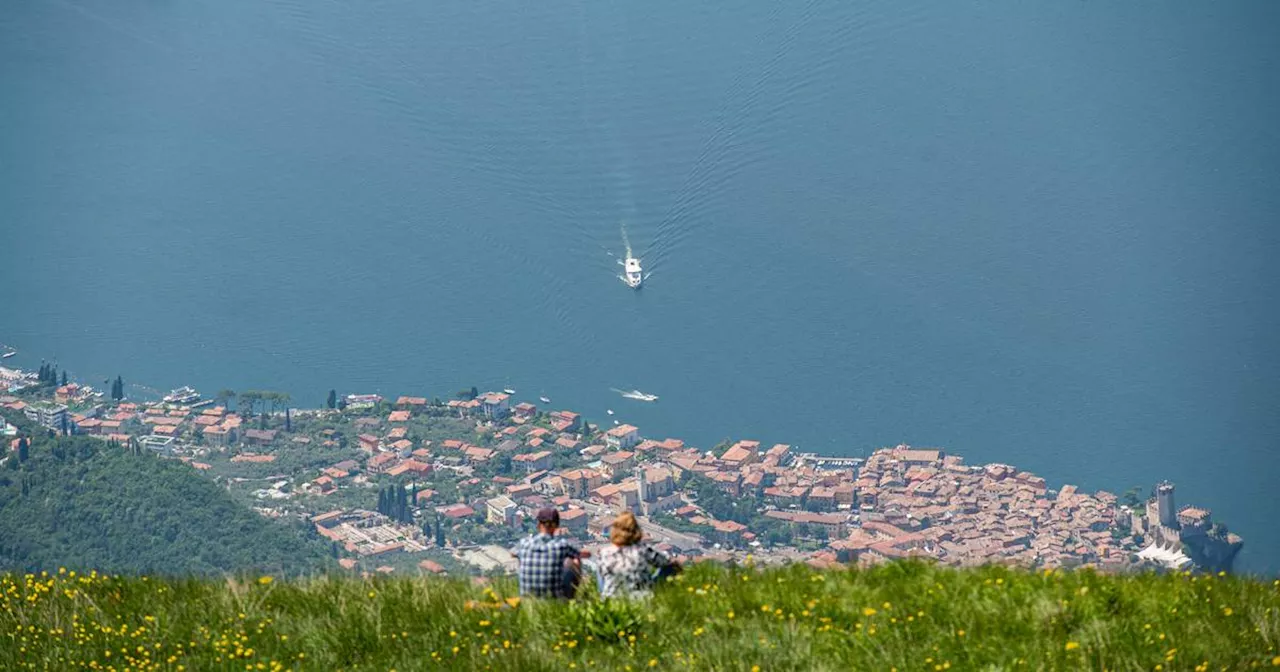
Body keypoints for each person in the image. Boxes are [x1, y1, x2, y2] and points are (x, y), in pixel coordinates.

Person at [593, 511, 681, 598]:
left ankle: (605, 594)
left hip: (612, 602)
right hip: (641, 598)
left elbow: (601, 580)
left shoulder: (604, 553)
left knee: (601, 570)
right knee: (670, 567)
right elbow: (667, 562)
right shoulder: (643, 550)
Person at [511, 507, 590, 598]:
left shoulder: (524, 543)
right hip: (555, 601)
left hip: (527, 602)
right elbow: (585, 554)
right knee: (574, 561)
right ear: (556, 526)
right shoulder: (563, 545)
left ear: (538, 525)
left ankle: (527, 586)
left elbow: (512, 553)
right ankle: (571, 597)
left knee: (521, 557)